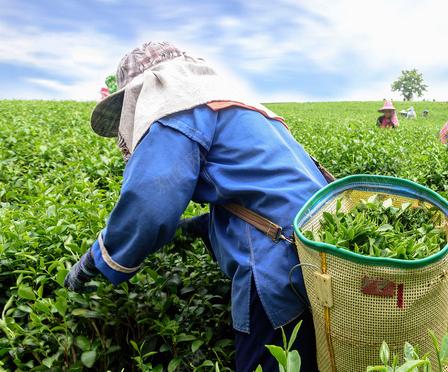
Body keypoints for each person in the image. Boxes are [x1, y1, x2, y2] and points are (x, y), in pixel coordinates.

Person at [61, 42, 323, 372]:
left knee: (268, 361)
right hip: (315, 246)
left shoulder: (176, 106)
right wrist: (202, 225)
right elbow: (259, 189)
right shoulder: (233, 105)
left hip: (274, 260)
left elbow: (148, 204)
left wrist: (98, 258)